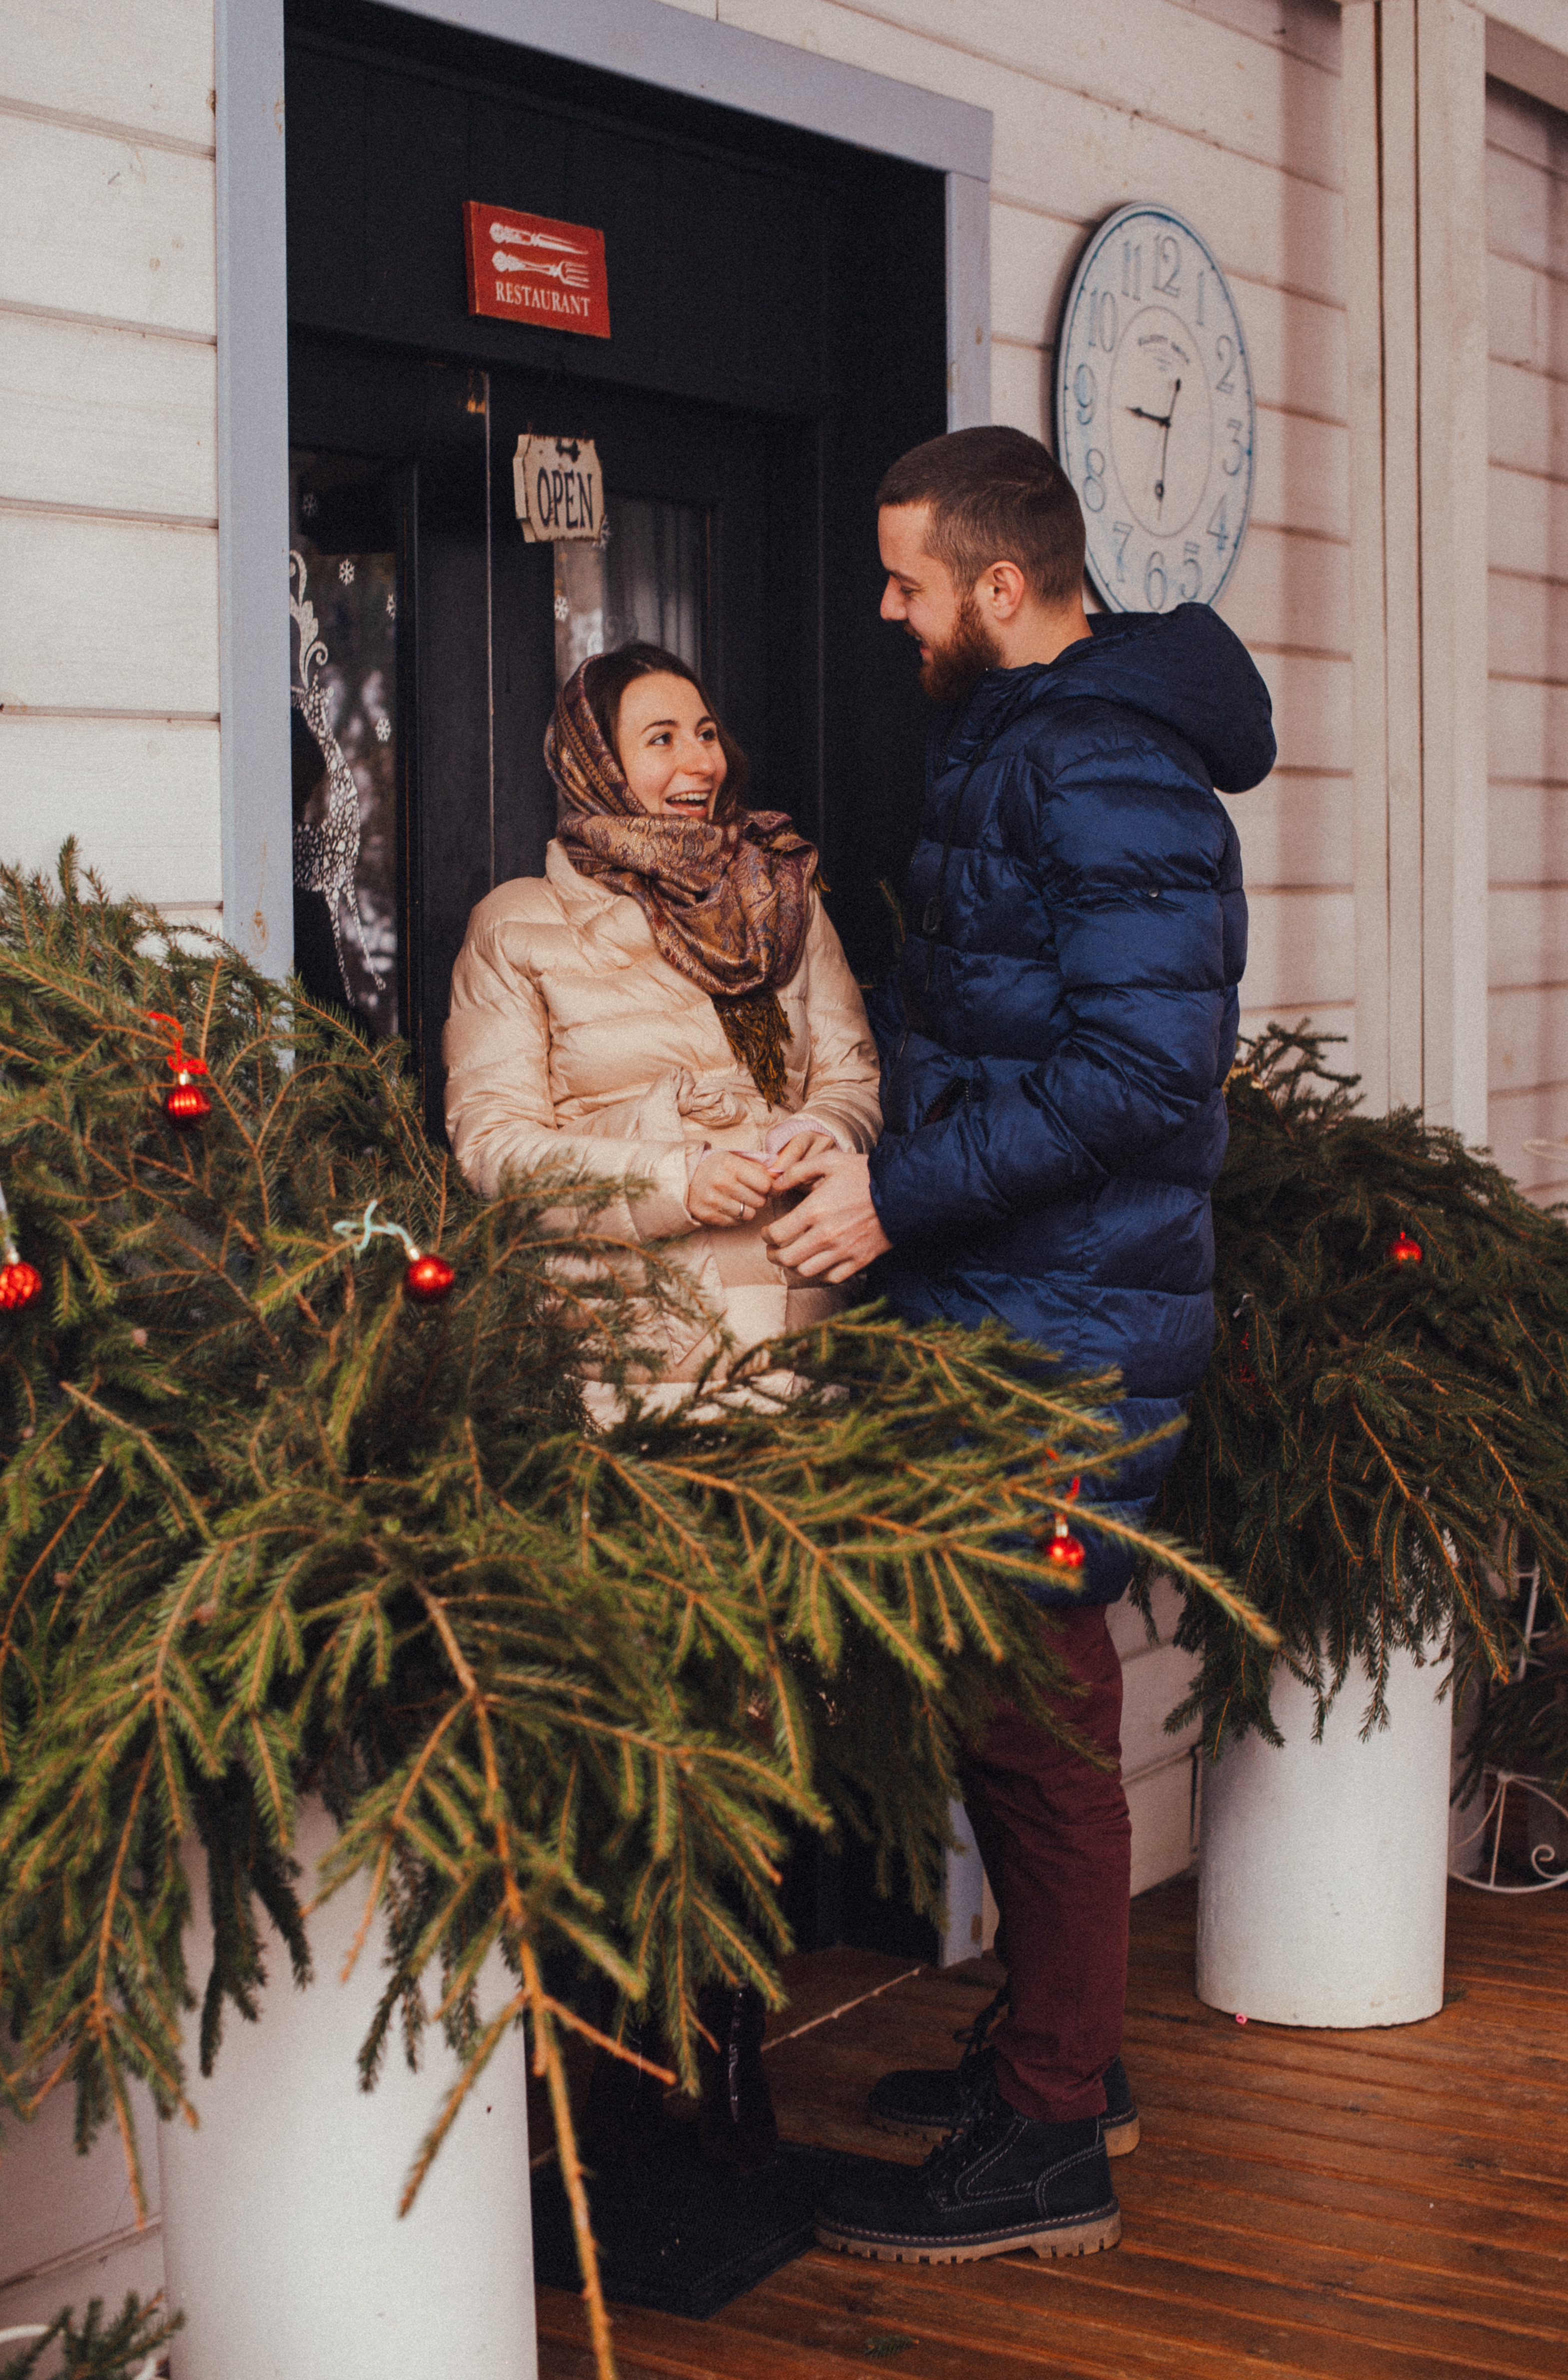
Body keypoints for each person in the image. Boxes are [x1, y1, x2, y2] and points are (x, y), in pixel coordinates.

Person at [764, 425, 1275, 2262]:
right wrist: (870, 1145)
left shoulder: (1109, 767)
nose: (885, 607)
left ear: (1000, 585)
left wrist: (900, 1201)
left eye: (909, 578)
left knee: (1040, 1726)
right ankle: (1063, 2064)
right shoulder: (1023, 743)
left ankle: (1055, 2137)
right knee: (1013, 1711)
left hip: (1063, 1324)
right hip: (1019, 1302)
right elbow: (999, 1033)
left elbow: (1142, 1076)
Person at [443, 640, 882, 2165]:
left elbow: (855, 1075)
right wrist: (668, 1178)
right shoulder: (524, 928)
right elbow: (493, 1146)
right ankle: (637, 2077)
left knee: (768, 1717)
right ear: (591, 763)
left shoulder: (785, 898)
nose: (698, 762)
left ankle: (734, 2059)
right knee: (654, 1721)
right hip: (626, 1386)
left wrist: (818, 1139)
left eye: (706, 729)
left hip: (788, 1367)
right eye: (658, 739)